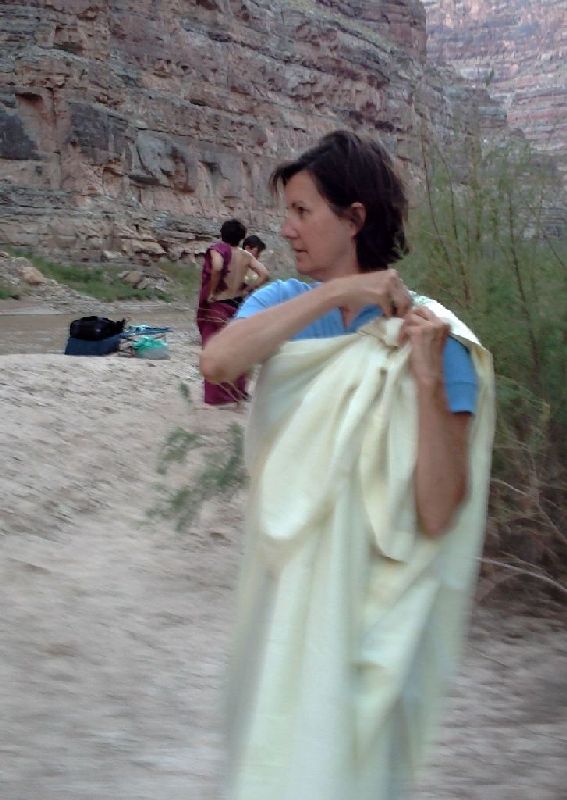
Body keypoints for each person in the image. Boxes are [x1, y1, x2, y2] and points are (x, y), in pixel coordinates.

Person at [201, 131, 494, 799]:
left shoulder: (432, 338)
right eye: (287, 212)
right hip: (286, 590)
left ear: (354, 218)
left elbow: (438, 510)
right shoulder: (281, 304)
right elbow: (218, 363)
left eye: (303, 211)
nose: (286, 228)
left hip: (373, 610)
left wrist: (426, 381)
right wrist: (337, 295)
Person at [196, 219, 269, 405]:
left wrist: (212, 291)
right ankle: (236, 392)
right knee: (235, 349)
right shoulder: (246, 256)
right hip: (236, 306)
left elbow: (217, 266)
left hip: (218, 304)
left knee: (213, 348)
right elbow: (264, 274)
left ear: (222, 234)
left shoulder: (217, 250)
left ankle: (216, 397)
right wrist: (247, 290)